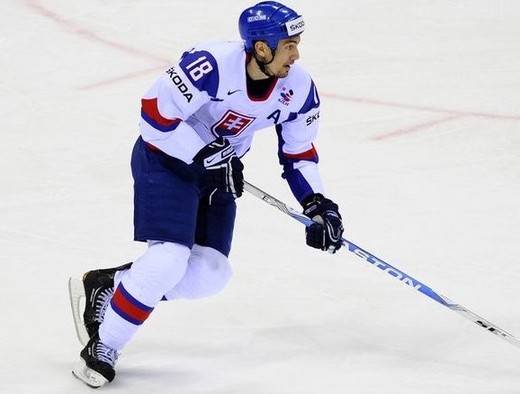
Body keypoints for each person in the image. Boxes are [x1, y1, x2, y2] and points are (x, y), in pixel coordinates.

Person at [71, 1, 344, 388]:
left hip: (218, 175)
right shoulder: (210, 65)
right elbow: (154, 117)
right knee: (168, 260)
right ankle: (105, 345)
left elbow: (299, 152)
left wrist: (318, 205)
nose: (296, 54)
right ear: (261, 48)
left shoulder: (298, 88)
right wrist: (204, 153)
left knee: (209, 274)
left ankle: (111, 286)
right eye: (289, 45)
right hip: (165, 160)